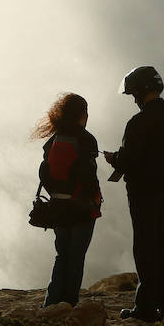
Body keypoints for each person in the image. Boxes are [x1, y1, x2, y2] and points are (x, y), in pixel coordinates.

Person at [104, 66, 164, 322]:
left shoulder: (138, 123)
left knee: (145, 246)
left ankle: (146, 308)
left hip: (143, 192)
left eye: (133, 94)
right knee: (163, 246)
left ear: (140, 91)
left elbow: (129, 160)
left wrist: (114, 158)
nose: (133, 99)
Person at [32, 93, 102, 307]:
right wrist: (95, 198)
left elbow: (44, 172)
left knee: (62, 254)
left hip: (57, 205)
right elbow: (87, 173)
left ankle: (52, 302)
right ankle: (69, 304)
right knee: (76, 257)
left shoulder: (54, 139)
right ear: (83, 114)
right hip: (81, 207)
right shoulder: (86, 139)